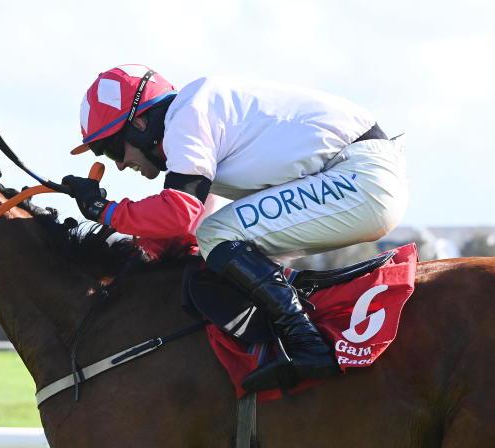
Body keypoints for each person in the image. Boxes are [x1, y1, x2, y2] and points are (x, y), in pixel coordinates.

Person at [63, 64, 407, 392]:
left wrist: (103, 211)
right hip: (360, 175)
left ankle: (307, 344)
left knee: (217, 236)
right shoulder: (196, 122)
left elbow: (180, 213)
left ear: (140, 124)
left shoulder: (186, 117)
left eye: (112, 149)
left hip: (360, 179)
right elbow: (188, 226)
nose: (120, 165)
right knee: (213, 247)